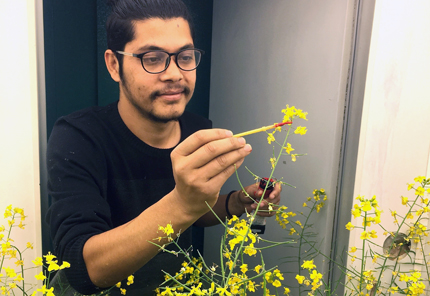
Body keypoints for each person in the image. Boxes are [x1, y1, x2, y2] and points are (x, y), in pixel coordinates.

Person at [46, 0, 281, 295]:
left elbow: (195, 210)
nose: (174, 74)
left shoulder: (198, 131)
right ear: (114, 65)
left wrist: (236, 202)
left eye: (184, 56)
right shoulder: (80, 137)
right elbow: (85, 270)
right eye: (153, 58)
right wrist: (182, 203)